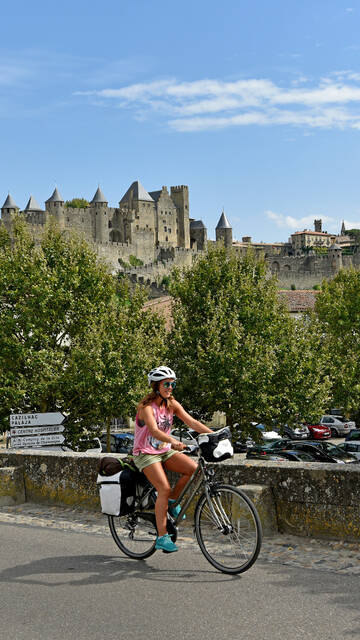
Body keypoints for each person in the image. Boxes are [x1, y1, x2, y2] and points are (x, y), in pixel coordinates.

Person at [133, 365, 213, 553]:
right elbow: (153, 431)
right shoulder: (146, 408)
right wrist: (173, 441)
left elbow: (192, 422)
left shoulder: (172, 404)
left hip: (164, 450)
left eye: (172, 384)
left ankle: (171, 501)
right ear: (156, 387)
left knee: (193, 469)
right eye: (166, 384)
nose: (170, 387)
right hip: (145, 453)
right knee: (164, 488)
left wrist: (215, 434)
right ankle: (162, 537)